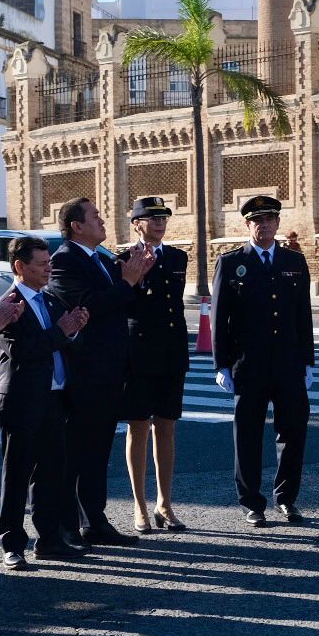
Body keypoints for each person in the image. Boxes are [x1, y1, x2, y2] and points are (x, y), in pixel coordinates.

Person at [48, 196, 153, 546]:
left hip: (109, 370)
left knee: (98, 450)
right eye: (94, 216)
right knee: (76, 452)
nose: (102, 220)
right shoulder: (64, 260)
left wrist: (136, 279)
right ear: (76, 226)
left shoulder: (101, 258)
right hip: (85, 371)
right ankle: (64, 524)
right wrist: (126, 282)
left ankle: (94, 518)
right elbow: (88, 306)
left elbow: (124, 303)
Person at [212, 194, 314, 527]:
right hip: (249, 362)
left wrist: (308, 361)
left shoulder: (293, 261)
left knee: (293, 430)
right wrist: (221, 365)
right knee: (248, 434)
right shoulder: (230, 263)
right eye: (258, 221)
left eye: (270, 219)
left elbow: (302, 316)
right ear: (247, 225)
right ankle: (252, 502)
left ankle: (287, 498)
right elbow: (219, 318)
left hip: (288, 361)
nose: (265, 225)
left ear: (278, 223)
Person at [0, 235, 84, 569]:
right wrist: (62, 331)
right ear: (20, 266)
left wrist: (73, 328)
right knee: (16, 476)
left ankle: (49, 538)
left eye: (50, 263)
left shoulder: (48, 300)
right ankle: (11, 543)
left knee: (51, 473)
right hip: (22, 400)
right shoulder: (9, 304)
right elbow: (23, 351)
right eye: (42, 264)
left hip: (54, 399)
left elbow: (62, 337)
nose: (50, 269)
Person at [120, 197, 190, 533]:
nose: (160, 223)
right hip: (138, 353)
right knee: (138, 427)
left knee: (167, 426)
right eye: (152, 218)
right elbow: (124, 305)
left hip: (171, 353)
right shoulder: (123, 259)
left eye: (163, 217)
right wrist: (134, 276)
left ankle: (165, 503)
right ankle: (140, 505)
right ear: (136, 223)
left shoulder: (178, 257)